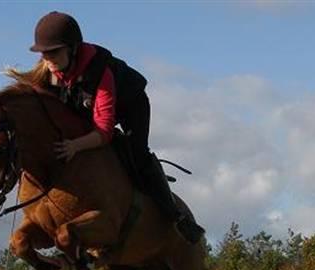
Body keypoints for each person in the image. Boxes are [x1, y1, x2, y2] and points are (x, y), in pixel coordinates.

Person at [28, 11, 204, 243]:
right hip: (88, 104)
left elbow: (103, 131)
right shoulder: (47, 71)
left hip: (130, 105)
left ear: (72, 48)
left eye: (54, 52)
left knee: (137, 155)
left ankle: (177, 217)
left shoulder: (101, 72)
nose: (48, 59)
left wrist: (74, 146)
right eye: (44, 53)